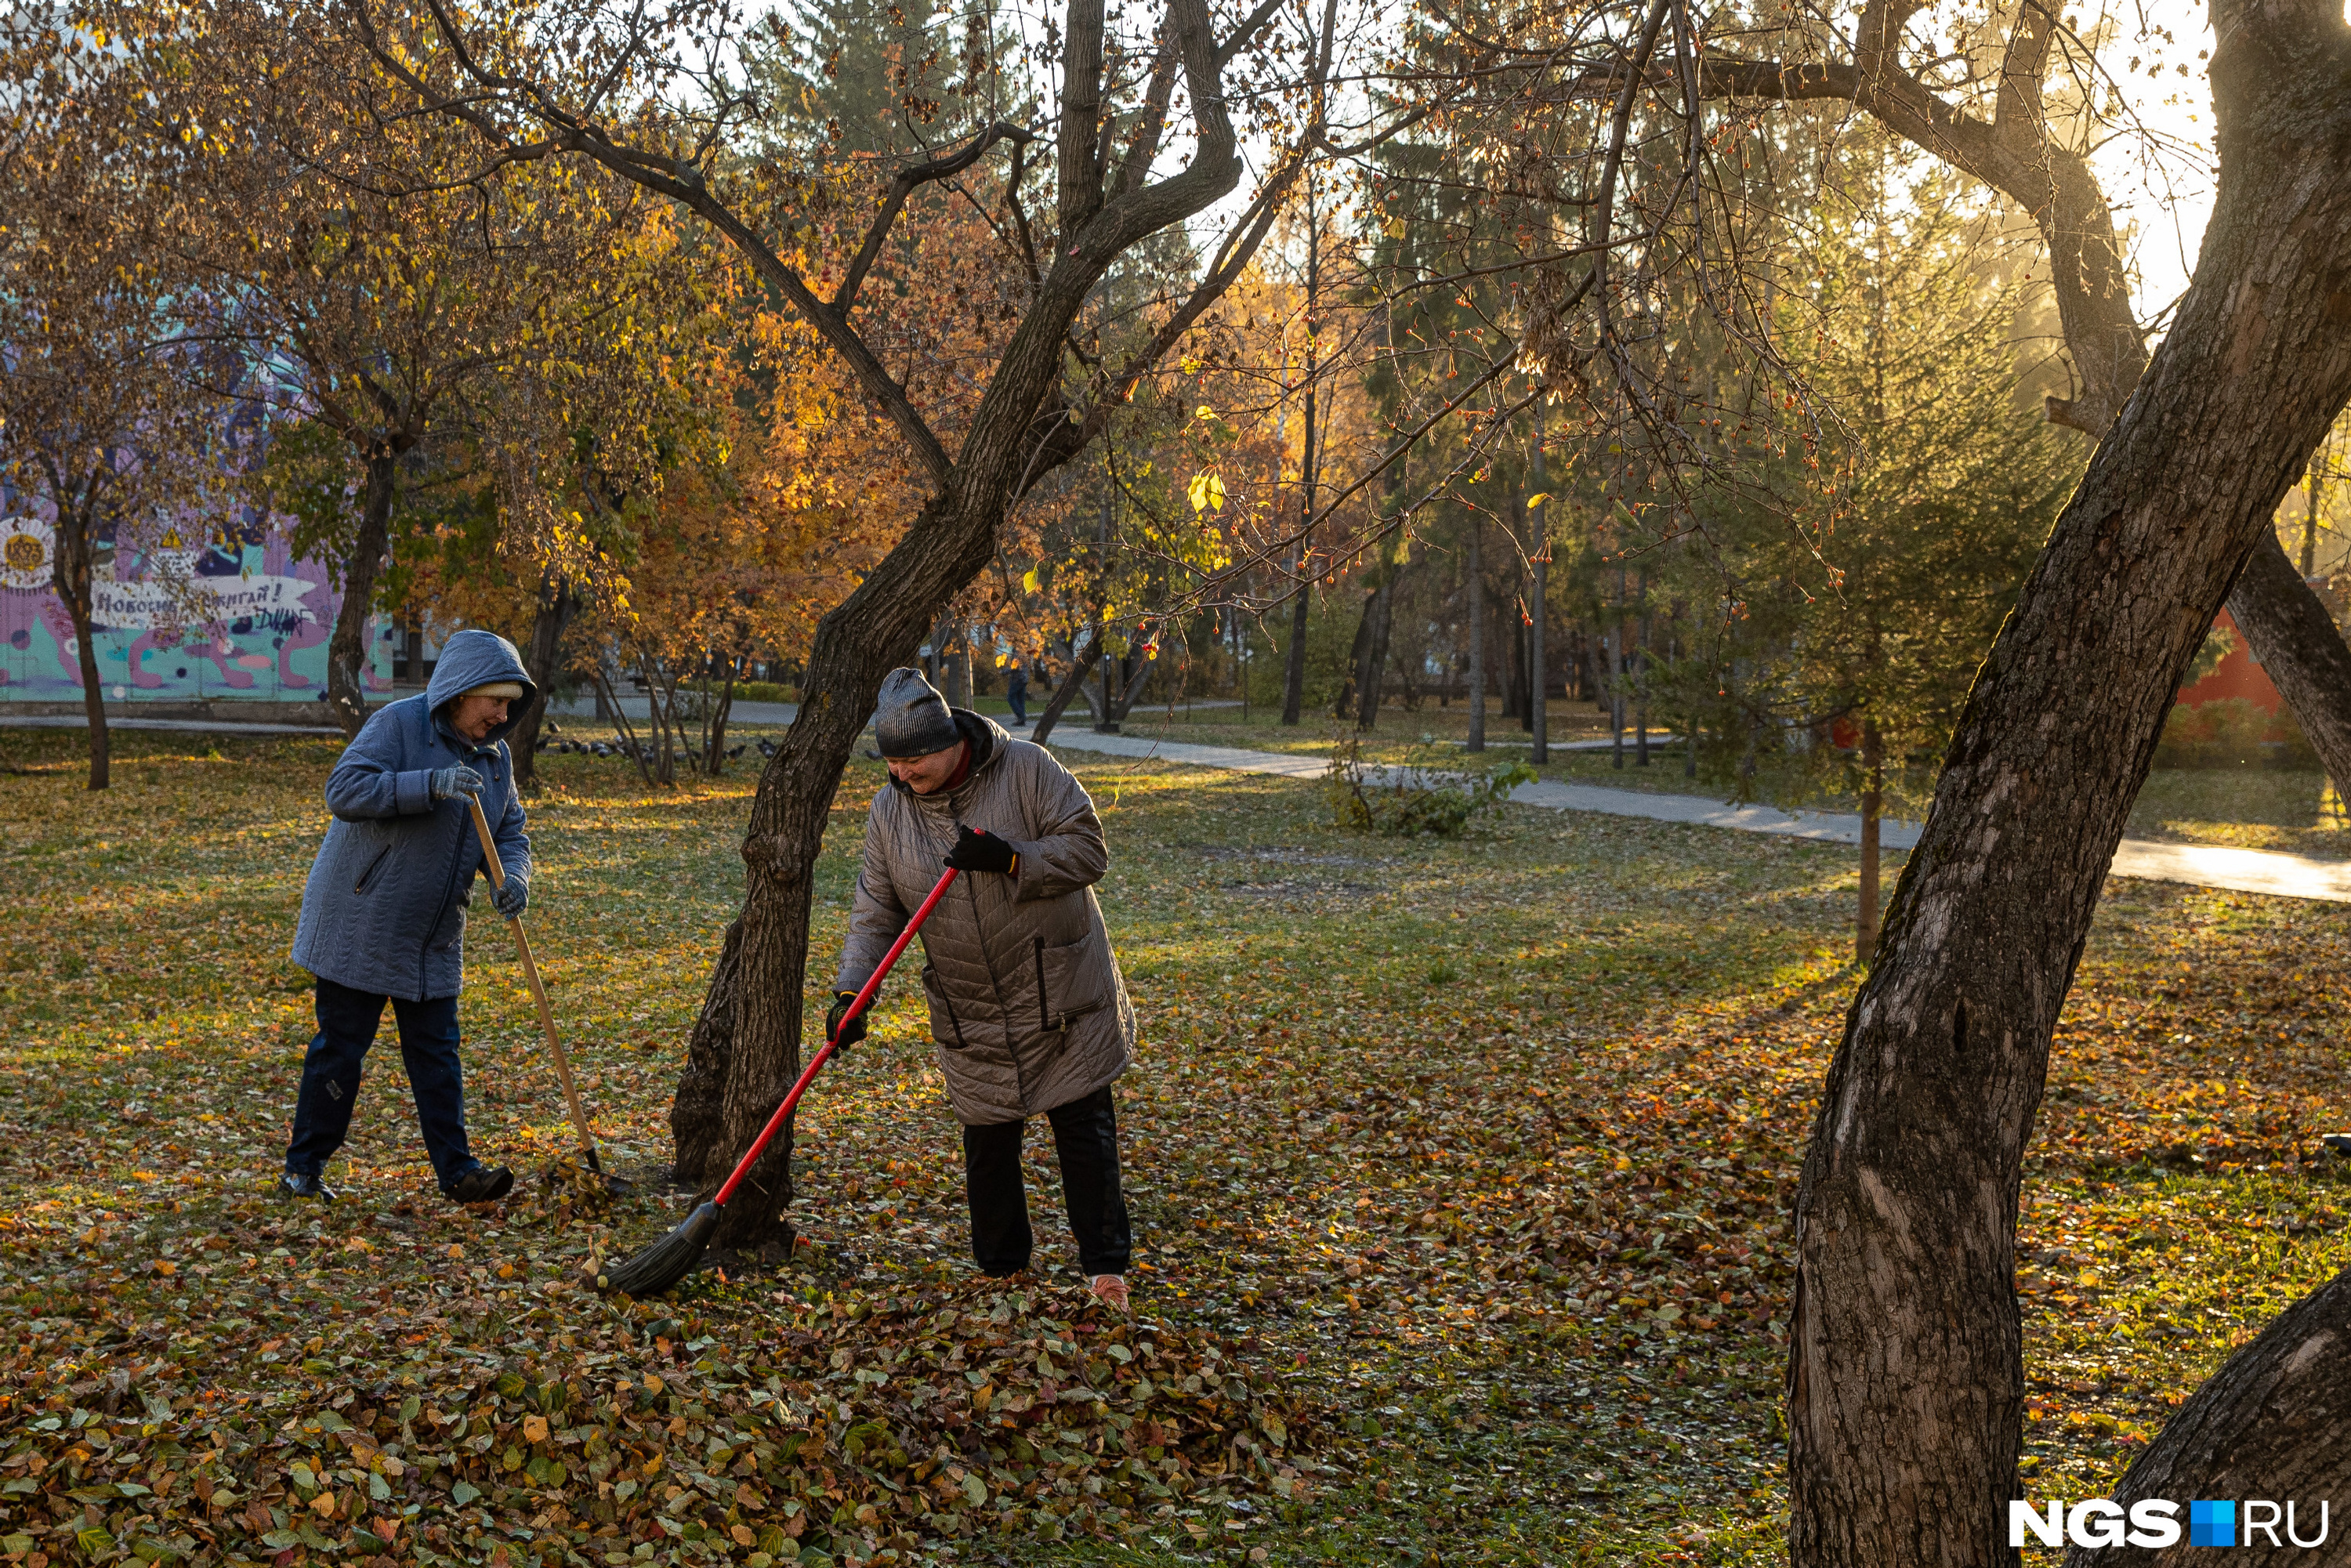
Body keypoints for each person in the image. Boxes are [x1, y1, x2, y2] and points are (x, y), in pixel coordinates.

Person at [832, 668, 1136, 1307]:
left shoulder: (1026, 769)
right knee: (988, 1149)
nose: (902, 774)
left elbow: (1089, 850)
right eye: (892, 762)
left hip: (1060, 992)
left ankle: (1107, 1272)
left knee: (1084, 1131)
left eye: (914, 760)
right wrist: (852, 991)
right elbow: (876, 910)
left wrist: (1013, 857)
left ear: (949, 741)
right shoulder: (890, 812)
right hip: (971, 1005)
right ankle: (1004, 1280)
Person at [280, 628, 536, 1204]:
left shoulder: (497, 759)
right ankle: (304, 1168)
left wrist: (512, 878)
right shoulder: (399, 724)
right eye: (494, 700)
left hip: (434, 936)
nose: (501, 714)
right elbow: (343, 789)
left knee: (438, 1054)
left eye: (508, 704)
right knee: (341, 1050)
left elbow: (510, 831)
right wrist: (430, 784)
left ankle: (459, 1172)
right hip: (362, 918)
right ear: (462, 690)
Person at [1004, 660, 1030, 727]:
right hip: (1024, 679)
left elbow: (1015, 667)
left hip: (1017, 679)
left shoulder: (1017, 653)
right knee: (1020, 700)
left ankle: (1021, 716)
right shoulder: (1024, 652)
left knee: (1011, 698)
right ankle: (1021, 720)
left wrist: (1004, 671)